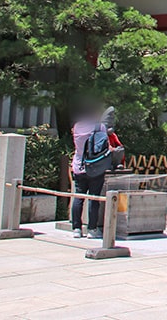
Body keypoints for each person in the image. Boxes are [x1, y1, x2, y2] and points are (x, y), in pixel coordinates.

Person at [70, 100, 111, 239]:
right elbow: (106, 145)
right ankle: (92, 229)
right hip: (95, 167)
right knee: (94, 198)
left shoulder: (76, 127)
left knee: (78, 197)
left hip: (78, 165)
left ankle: (76, 228)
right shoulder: (100, 127)